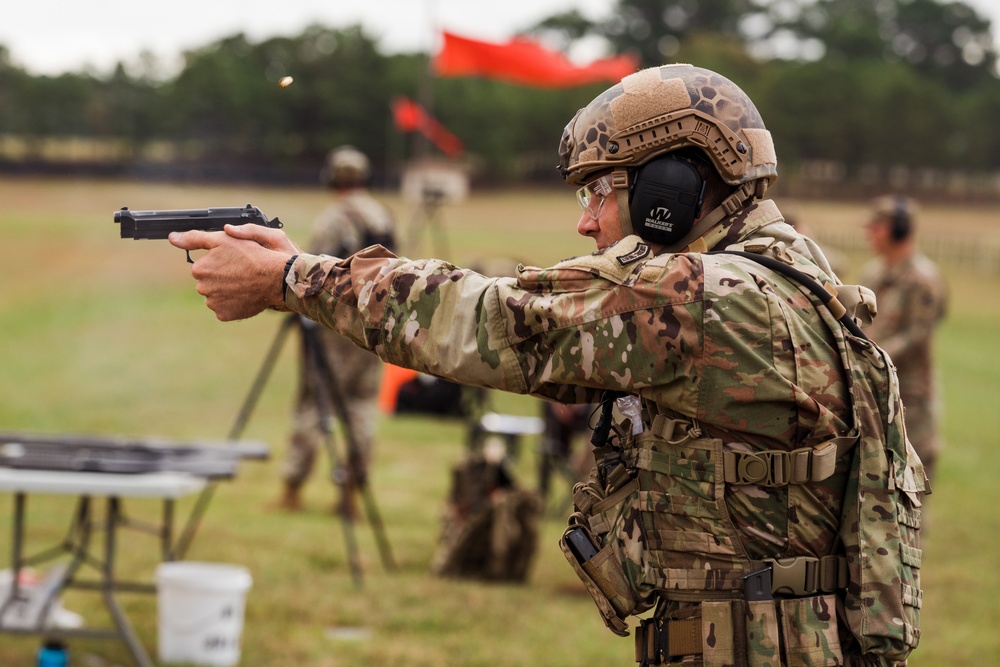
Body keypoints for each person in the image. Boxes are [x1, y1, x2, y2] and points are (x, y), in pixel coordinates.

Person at [169, 65, 925, 666]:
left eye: (601, 189)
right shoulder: (794, 274)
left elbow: (491, 320)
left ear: (672, 189)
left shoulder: (704, 297)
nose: (586, 219)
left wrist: (294, 279)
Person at [278, 146, 397, 513]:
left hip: (333, 327)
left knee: (315, 402)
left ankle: (292, 490)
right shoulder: (382, 215)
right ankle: (350, 493)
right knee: (361, 406)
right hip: (375, 325)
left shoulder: (332, 218)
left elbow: (310, 273)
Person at [861, 195, 947, 499]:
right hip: (876, 393)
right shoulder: (873, 273)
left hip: (911, 398)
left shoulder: (923, 279)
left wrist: (873, 356)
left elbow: (917, 334)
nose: (868, 231)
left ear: (898, 230)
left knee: (912, 489)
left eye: (877, 226)